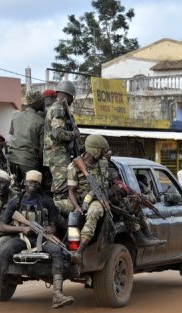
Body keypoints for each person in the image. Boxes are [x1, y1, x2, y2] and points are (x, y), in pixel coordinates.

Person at [0, 170, 75, 311]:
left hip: (41, 239)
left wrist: (49, 229)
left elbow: (54, 226)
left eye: (36, 183)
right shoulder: (16, 200)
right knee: (4, 250)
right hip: (22, 238)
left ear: (39, 185)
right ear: (24, 183)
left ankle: (58, 295)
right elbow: (2, 226)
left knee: (57, 250)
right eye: (30, 182)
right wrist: (22, 229)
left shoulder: (47, 201)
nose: (32, 186)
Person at [66, 134, 110, 264]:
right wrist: (77, 207)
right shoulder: (73, 167)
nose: (105, 152)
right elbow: (71, 191)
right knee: (56, 207)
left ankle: (80, 250)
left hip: (97, 198)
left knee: (94, 212)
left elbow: (106, 184)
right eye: (102, 150)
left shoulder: (103, 163)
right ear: (95, 150)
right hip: (79, 200)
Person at [43, 80, 81, 201]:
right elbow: (58, 133)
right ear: (68, 95)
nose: (72, 100)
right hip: (57, 155)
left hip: (58, 155)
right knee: (61, 190)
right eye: (72, 97)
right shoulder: (58, 109)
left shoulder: (60, 108)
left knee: (60, 188)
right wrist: (74, 134)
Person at [108, 179, 166, 247]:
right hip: (115, 214)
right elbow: (121, 206)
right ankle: (140, 237)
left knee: (137, 207)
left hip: (118, 213)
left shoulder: (126, 188)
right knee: (130, 210)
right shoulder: (113, 190)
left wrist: (141, 198)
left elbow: (152, 199)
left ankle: (147, 235)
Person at [8, 90, 45, 188]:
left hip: (12, 159)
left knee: (15, 188)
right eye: (42, 101)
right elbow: (42, 149)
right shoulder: (41, 121)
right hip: (28, 161)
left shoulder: (15, 116)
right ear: (36, 103)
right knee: (32, 190)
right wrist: (41, 166)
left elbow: (12, 134)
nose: (43, 103)